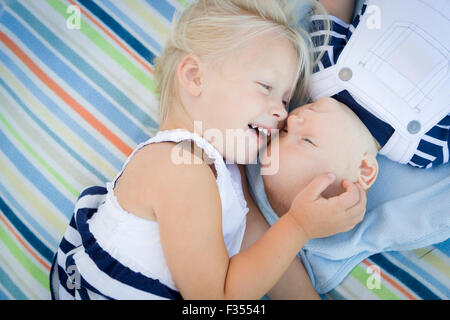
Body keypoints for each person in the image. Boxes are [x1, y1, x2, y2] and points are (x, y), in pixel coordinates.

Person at [49, 0, 366, 300]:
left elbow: (260, 248)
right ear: (194, 77)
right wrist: (298, 227)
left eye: (285, 100)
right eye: (266, 87)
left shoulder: (227, 171)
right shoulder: (177, 167)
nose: (283, 113)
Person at [309, 0, 449, 169]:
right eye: (306, 140)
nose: (293, 119)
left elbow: (332, 9)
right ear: (365, 169)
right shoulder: (429, 150)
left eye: (285, 131)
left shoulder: (321, 73)